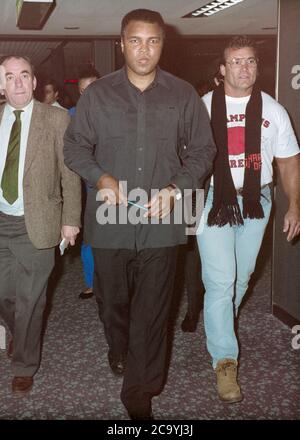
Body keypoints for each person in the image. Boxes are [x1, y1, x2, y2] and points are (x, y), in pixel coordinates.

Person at [64, 9, 215, 419]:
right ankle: (119, 347)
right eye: (135, 40)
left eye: (153, 41)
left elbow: (203, 151)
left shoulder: (183, 94)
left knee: (153, 311)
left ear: (163, 44)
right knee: (113, 306)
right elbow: (74, 148)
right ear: (121, 43)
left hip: (162, 223)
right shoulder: (98, 95)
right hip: (111, 223)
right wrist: (101, 178)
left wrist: (176, 189)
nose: (144, 49)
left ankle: (139, 394)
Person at [196, 36, 300, 404]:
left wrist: (295, 205)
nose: (245, 68)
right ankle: (225, 361)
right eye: (236, 62)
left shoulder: (273, 110)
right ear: (222, 69)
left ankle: (218, 319)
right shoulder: (204, 108)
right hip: (214, 201)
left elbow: (287, 161)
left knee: (239, 279)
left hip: (258, 201)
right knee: (221, 281)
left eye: (251, 61)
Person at [0, 55, 81, 395]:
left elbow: (70, 172)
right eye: (9, 76)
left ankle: (24, 366)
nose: (17, 82)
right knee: (6, 296)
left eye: (24, 75)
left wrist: (71, 220)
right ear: (1, 84)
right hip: (1, 222)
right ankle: (17, 327)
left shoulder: (56, 119)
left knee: (31, 301)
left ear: (34, 82)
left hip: (39, 222)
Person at [69, 67, 100, 299]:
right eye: (82, 91)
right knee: (88, 237)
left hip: (114, 186)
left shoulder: (118, 112)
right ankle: (92, 282)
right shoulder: (72, 115)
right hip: (84, 188)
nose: (86, 95)